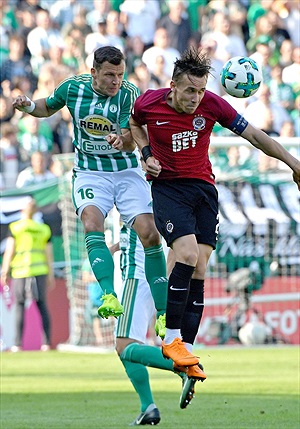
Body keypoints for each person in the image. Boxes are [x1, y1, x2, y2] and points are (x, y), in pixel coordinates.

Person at [129, 48, 300, 370]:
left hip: (204, 189)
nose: (196, 98)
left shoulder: (213, 105)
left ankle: (188, 353)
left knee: (201, 266)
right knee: (187, 254)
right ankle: (170, 339)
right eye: (190, 90)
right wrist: (146, 153)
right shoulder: (148, 102)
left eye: (201, 90)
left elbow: (254, 135)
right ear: (173, 86)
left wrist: (293, 163)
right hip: (169, 189)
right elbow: (135, 124)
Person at [12, 46, 168, 321]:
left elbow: (130, 135)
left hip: (125, 171)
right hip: (90, 171)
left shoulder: (127, 93)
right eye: (109, 75)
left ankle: (164, 312)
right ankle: (109, 295)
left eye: (119, 75)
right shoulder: (73, 88)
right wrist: (29, 106)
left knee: (150, 233)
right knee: (92, 223)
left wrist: (122, 141)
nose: (115, 81)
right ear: (93, 72)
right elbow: (47, 107)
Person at [114, 224, 206, 425]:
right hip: (156, 277)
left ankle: (182, 366)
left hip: (137, 276)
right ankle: (148, 408)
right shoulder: (163, 203)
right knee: (128, 344)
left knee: (124, 345)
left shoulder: (138, 196)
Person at [1, 198, 53, 352]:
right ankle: (46, 343)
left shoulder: (16, 227)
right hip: (40, 271)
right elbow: (49, 254)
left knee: (19, 306)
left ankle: (17, 344)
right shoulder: (43, 229)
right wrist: (50, 274)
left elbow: (10, 251)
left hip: (20, 272)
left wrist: (5, 271)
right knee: (42, 305)